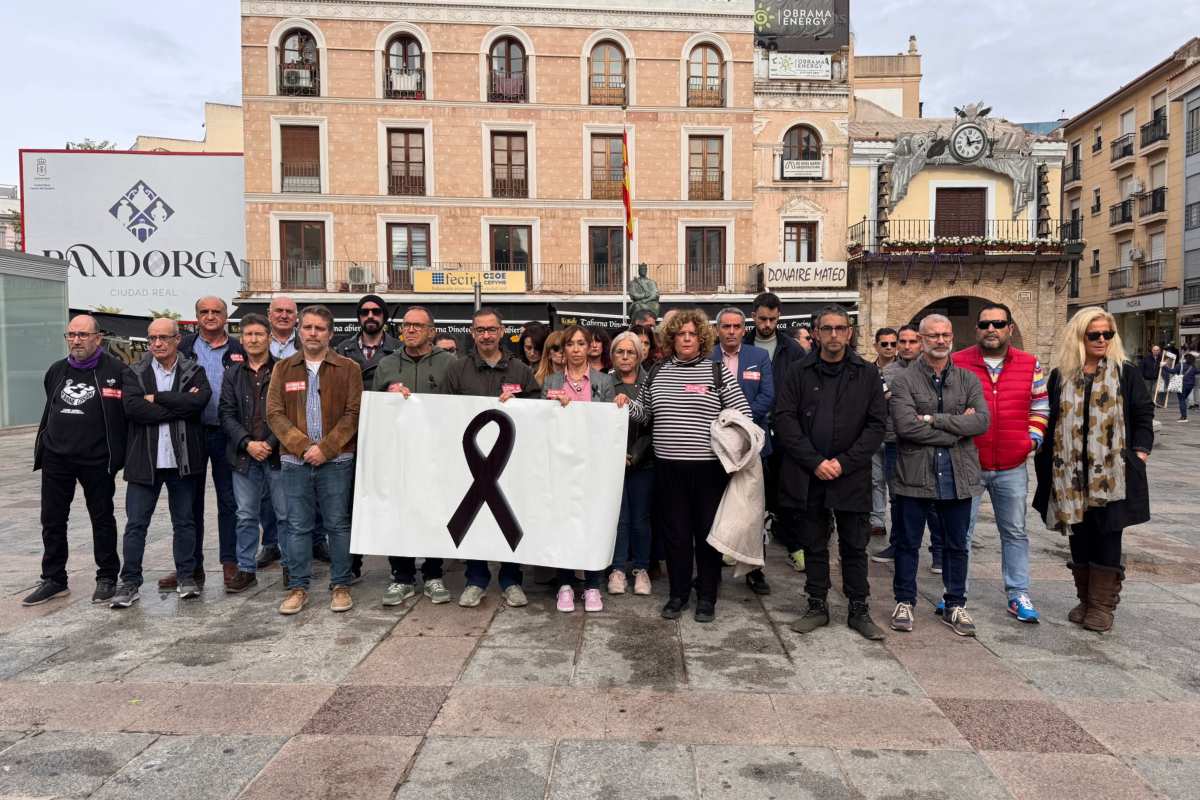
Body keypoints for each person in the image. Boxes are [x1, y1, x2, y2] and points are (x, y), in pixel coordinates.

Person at [624, 309, 752, 623]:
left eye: (692, 334)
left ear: (702, 338)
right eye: (681, 334)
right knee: (675, 535)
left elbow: (743, 413)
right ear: (671, 338)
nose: (686, 339)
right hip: (668, 468)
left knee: (707, 535)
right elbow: (644, 414)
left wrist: (723, 430)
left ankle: (707, 596)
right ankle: (678, 594)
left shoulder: (717, 371)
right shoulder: (656, 371)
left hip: (709, 470)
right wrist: (625, 405)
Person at [1033, 307, 1154, 633]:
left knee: (1108, 534)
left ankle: (1102, 607)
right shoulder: (1061, 375)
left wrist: (1139, 454)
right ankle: (1085, 599)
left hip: (1111, 474)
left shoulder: (1124, 372)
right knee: (1078, 533)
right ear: (1080, 336)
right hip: (1068, 473)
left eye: (1107, 334)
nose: (1102, 339)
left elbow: (1143, 414)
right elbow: (1049, 418)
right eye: (1094, 334)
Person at [775, 305, 887, 640]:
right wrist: (815, 462)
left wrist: (844, 462)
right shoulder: (799, 371)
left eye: (840, 328)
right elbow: (784, 419)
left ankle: (858, 608)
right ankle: (816, 605)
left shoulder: (867, 374)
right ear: (817, 332)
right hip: (810, 475)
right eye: (827, 329)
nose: (834, 335)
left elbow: (876, 424)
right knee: (814, 544)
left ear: (849, 332)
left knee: (855, 545)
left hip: (851, 475)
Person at [887, 314, 989, 637]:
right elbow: (905, 426)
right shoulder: (903, 380)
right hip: (914, 473)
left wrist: (932, 419)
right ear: (921, 339)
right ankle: (905, 600)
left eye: (945, 335)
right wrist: (956, 427)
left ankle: (955, 603)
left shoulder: (969, 380)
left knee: (957, 544)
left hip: (958, 475)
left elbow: (981, 422)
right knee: (907, 542)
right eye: (933, 336)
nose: (941, 340)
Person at [25, 315, 131, 607]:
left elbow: (126, 413)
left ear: (98, 338)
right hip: (57, 458)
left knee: (102, 518)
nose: (76, 340)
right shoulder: (57, 371)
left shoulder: (116, 370)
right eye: (71, 335)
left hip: (97, 459)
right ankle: (54, 579)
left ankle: (107, 576)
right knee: (53, 520)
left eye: (83, 335)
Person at [953, 303, 1048, 623]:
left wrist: (1030, 441)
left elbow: (1041, 407)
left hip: (1012, 464)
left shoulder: (1030, 364)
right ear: (976, 329)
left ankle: (1018, 593)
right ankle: (955, 594)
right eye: (985, 324)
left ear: (1010, 328)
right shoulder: (958, 363)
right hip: (968, 463)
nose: (991, 329)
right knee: (960, 532)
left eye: (998, 323)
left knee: (1015, 531)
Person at [110, 318, 212, 608]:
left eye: (163, 338)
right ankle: (129, 582)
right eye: (152, 338)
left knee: (185, 522)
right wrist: (178, 407)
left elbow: (199, 403)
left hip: (183, 461)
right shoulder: (135, 371)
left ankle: (186, 577)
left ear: (177, 339)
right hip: (144, 460)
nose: (157, 343)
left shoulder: (194, 370)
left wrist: (158, 399)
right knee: (136, 525)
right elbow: (133, 408)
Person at [268, 305, 362, 615]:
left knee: (337, 524)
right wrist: (303, 446)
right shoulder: (283, 368)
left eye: (319, 328)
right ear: (299, 330)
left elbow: (353, 414)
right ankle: (298, 587)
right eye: (307, 327)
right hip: (295, 463)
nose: (312, 333)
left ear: (330, 334)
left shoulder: (348, 368)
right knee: (297, 526)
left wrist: (327, 448)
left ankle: (340, 585)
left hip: (336, 461)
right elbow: (274, 414)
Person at [444, 307, 540, 608]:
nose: (486, 335)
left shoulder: (520, 370)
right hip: (469, 462)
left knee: (509, 517)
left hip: (508, 460)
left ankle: (511, 580)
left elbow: (537, 408)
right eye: (480, 330)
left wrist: (522, 404)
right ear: (472, 334)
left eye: (491, 329)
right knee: (475, 520)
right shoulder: (457, 369)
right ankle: (476, 579)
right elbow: (441, 412)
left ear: (501, 332)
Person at [372, 305, 457, 605]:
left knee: (435, 513)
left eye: (417, 326)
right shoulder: (386, 365)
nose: (409, 330)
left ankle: (434, 574)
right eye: (406, 325)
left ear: (431, 331)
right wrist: (388, 400)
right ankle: (402, 576)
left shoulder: (450, 363)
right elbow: (374, 409)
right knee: (400, 513)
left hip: (436, 454)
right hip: (399, 454)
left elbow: (459, 407)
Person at [173, 296, 245, 591]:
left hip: (226, 433)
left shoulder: (239, 348)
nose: (211, 316)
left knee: (229, 501)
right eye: (205, 312)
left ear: (226, 316)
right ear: (196, 316)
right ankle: (191, 568)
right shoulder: (183, 348)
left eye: (216, 311)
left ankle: (230, 562)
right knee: (189, 503)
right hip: (189, 432)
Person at [542, 325, 616, 612]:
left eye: (580, 343)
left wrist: (619, 403)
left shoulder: (604, 381)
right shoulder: (550, 382)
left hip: (593, 465)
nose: (575, 349)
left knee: (592, 523)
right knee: (562, 523)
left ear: (589, 347)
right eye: (570, 344)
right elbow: (542, 423)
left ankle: (593, 585)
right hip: (561, 463)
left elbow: (609, 423)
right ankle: (565, 584)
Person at [219, 313, 287, 593]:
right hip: (244, 456)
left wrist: (269, 442)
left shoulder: (284, 370)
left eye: (259, 334)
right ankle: (246, 569)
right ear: (241, 339)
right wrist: (247, 443)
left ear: (269, 338)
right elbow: (226, 413)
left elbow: (289, 411)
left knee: (285, 515)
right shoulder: (232, 373)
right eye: (248, 335)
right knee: (246, 515)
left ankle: (291, 568)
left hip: (278, 454)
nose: (253, 339)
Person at [711, 307, 775, 594]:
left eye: (737, 326)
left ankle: (754, 570)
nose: (732, 331)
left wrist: (742, 424)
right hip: (716, 448)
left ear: (743, 328)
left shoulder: (758, 357)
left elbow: (768, 395)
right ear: (717, 329)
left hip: (752, 447)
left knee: (753, 511)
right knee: (713, 510)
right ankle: (711, 571)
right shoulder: (706, 358)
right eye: (726, 326)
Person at [744, 292, 808, 574]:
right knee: (746, 491)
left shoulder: (792, 350)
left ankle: (794, 546)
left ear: (779, 317)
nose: (767, 324)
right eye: (762, 319)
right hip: (749, 427)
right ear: (754, 315)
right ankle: (741, 546)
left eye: (772, 319)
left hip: (783, 430)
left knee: (787, 490)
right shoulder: (743, 343)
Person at [872, 325, 942, 566]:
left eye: (913, 341)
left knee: (932, 499)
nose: (906, 346)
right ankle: (898, 545)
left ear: (921, 343)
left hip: (927, 444)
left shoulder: (934, 368)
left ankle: (939, 552)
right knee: (898, 498)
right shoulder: (888, 371)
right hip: (895, 442)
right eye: (902, 341)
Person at [607, 331, 654, 596]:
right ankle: (617, 569)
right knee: (619, 518)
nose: (625, 357)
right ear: (612, 355)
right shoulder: (603, 381)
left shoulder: (650, 382)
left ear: (640, 355)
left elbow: (651, 422)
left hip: (644, 461)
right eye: (619, 351)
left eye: (631, 352)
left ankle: (641, 569)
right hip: (612, 462)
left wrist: (635, 455)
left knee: (641, 519)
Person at [257, 295, 300, 569]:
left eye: (289, 311)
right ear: (269, 314)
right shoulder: (258, 342)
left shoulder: (305, 342)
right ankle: (271, 543)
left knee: (305, 491)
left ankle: (315, 541)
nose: (284, 315)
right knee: (265, 494)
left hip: (301, 428)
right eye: (279, 311)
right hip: (261, 431)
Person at [869, 327, 899, 538]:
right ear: (876, 346)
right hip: (873, 433)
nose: (889, 348)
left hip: (896, 434)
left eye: (893, 344)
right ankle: (877, 519)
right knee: (874, 479)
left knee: (895, 482)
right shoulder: (868, 371)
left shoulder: (905, 370)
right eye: (884, 344)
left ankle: (898, 524)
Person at [335, 294, 401, 390]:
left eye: (376, 312)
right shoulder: (342, 349)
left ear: (384, 317)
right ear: (359, 318)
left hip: (384, 403)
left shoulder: (400, 349)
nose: (370, 316)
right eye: (364, 312)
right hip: (352, 404)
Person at [1167, 353, 1197, 422]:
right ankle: (1184, 415)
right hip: (1190, 386)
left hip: (1181, 385)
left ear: (1184, 359)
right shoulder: (1193, 366)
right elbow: (1197, 372)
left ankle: (1183, 417)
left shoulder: (1180, 365)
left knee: (1182, 400)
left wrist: (1164, 366)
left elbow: (1172, 371)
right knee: (1183, 399)